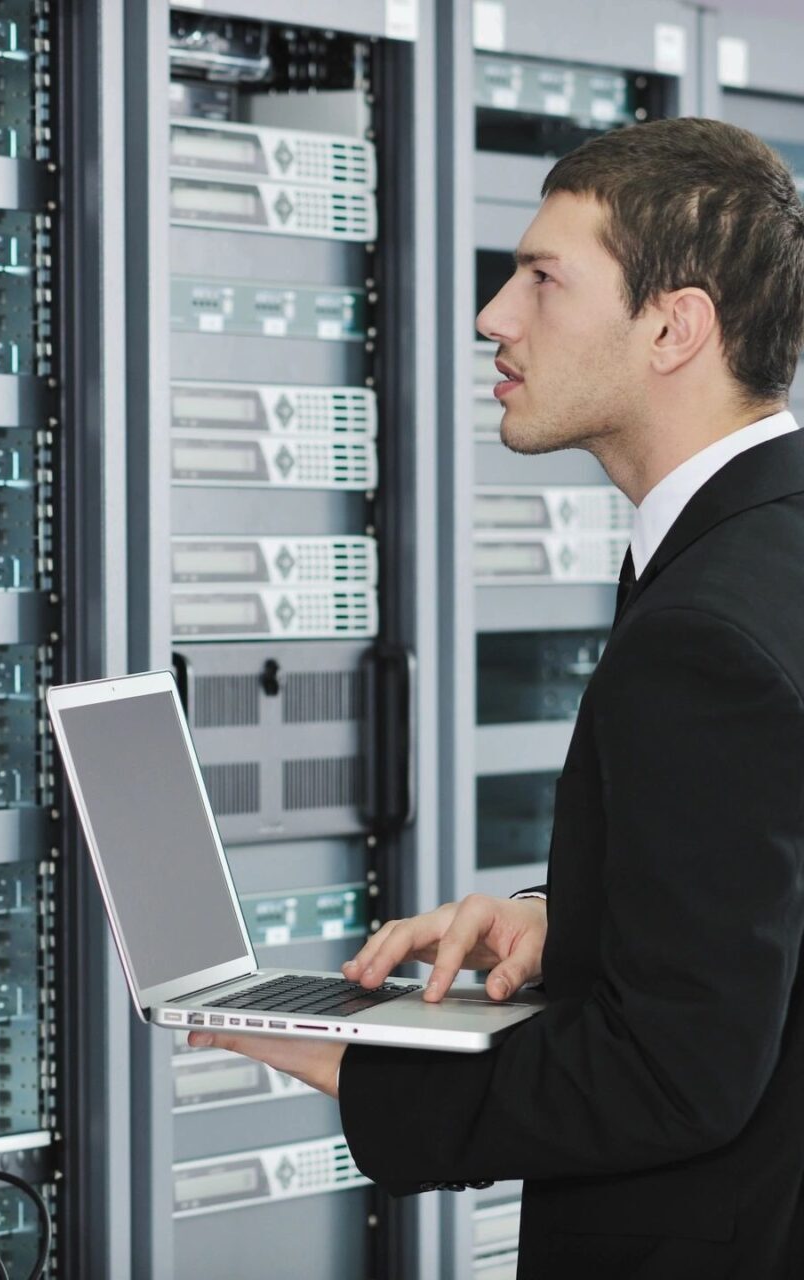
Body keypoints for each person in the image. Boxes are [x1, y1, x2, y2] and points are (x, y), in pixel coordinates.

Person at [187, 116, 804, 1278]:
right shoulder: (762, 555)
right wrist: (572, 913)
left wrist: (361, 1060)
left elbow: (676, 1076)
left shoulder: (703, 631)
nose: (492, 317)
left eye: (540, 279)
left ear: (674, 326)